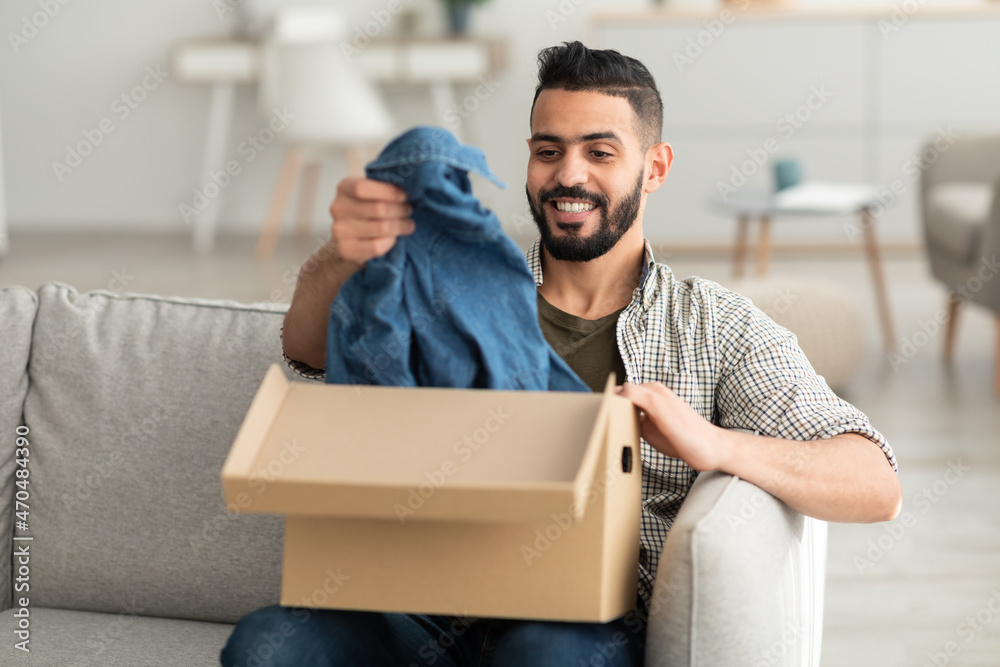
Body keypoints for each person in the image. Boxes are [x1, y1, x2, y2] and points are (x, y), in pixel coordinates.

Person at [221, 41, 901, 667]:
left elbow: (875, 481)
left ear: (654, 167)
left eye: (600, 153)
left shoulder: (710, 325)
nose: (567, 175)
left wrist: (715, 444)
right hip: (421, 608)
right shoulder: (458, 292)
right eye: (548, 151)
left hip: (578, 622)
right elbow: (305, 349)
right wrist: (345, 252)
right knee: (264, 645)